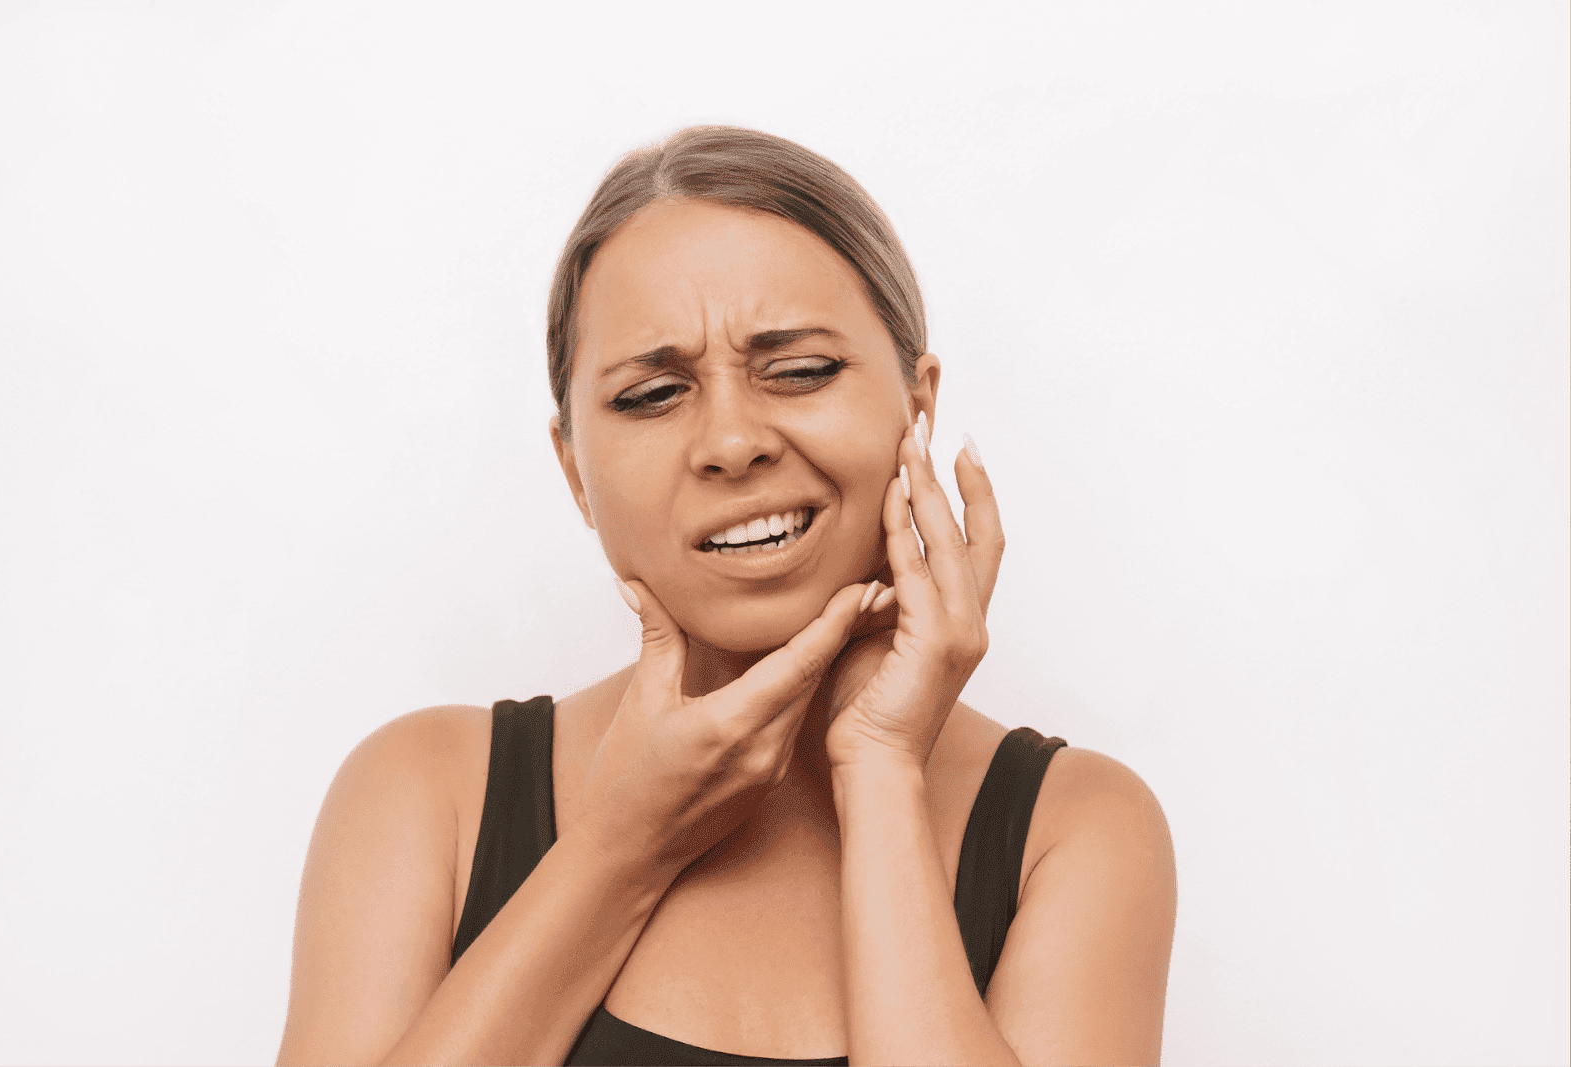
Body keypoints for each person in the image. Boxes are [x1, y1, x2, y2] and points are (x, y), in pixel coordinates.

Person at [275, 126, 1176, 1066]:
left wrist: (879, 768)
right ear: (574, 472)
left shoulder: (1075, 830)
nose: (732, 441)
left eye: (799, 372)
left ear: (917, 409)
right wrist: (622, 847)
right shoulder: (425, 793)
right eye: (652, 394)